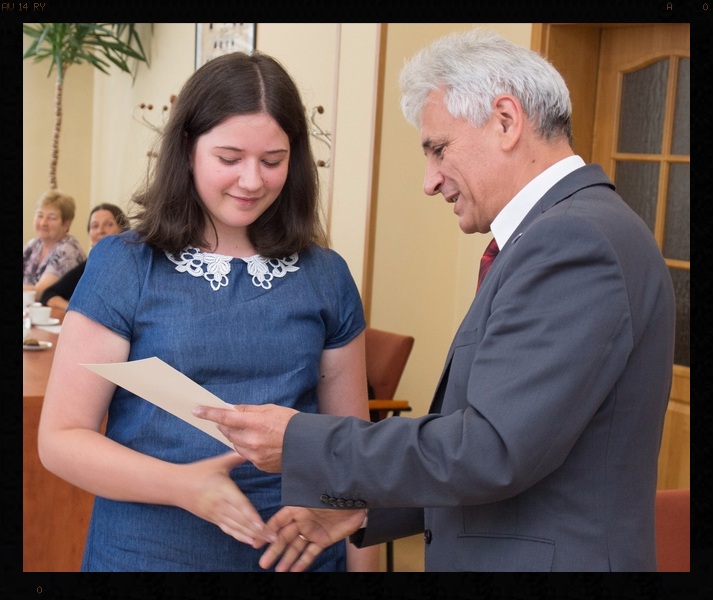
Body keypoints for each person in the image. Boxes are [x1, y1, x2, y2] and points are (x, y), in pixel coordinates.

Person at [192, 28, 676, 572]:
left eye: (438, 149)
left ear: (506, 121)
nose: (429, 180)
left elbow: (492, 451)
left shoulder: (573, 241)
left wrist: (299, 441)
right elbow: (518, 441)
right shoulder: (562, 232)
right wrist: (362, 510)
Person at [38, 51, 379, 572]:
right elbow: (61, 440)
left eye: (272, 161)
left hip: (297, 553)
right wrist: (183, 486)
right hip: (151, 549)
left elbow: (353, 459)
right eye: (229, 158)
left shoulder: (325, 275)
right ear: (187, 151)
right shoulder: (127, 264)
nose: (252, 181)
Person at [40, 203, 130, 309]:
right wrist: (77, 310)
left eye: (108, 224)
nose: (100, 231)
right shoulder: (90, 264)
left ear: (124, 230)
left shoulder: (132, 265)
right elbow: (48, 295)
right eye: (95, 226)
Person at [23, 189, 87, 299]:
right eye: (40, 215)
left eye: (51, 218)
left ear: (66, 224)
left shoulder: (68, 250)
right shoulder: (34, 245)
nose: (43, 223)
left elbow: (40, 293)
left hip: (59, 313)